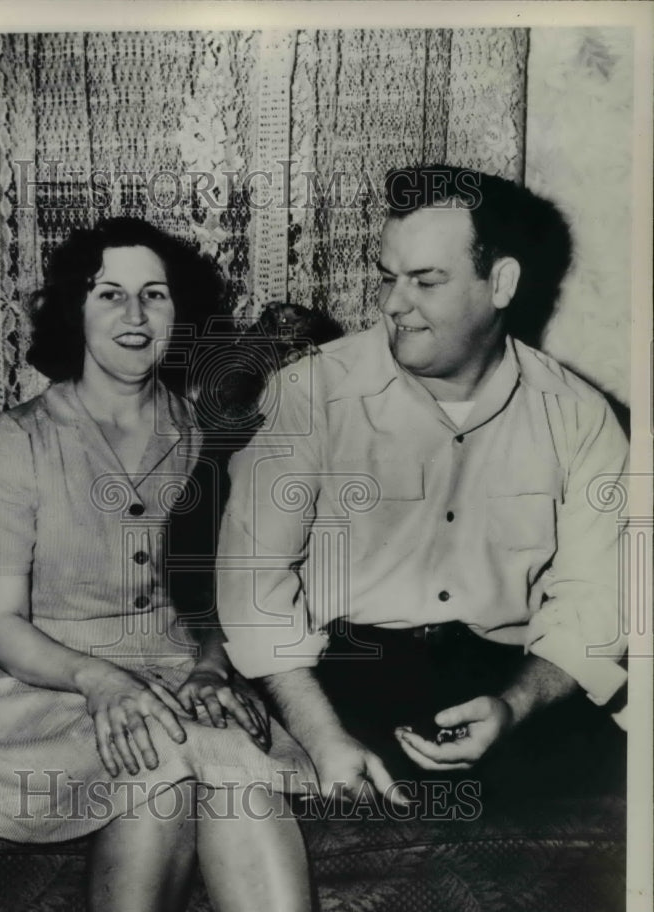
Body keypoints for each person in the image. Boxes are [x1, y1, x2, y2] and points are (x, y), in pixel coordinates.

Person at [0, 217, 315, 912]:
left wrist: (211, 664)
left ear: (181, 314)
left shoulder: (210, 438)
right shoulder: (9, 441)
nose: (135, 316)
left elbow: (214, 598)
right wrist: (103, 681)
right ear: (73, 312)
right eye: (110, 294)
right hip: (46, 680)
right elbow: (1, 624)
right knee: (165, 752)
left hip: (179, 675)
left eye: (155, 295)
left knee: (226, 765)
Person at [217, 165, 628, 806]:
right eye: (389, 277)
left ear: (502, 283)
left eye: (425, 281)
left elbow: (594, 602)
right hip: (342, 676)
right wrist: (321, 736)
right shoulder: (310, 393)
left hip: (503, 678)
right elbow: (254, 584)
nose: (392, 304)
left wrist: (516, 706)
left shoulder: (580, 417)